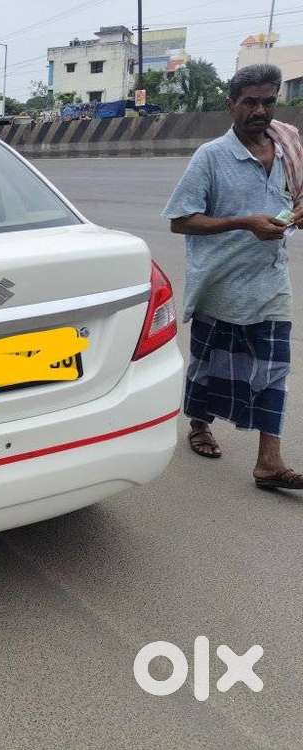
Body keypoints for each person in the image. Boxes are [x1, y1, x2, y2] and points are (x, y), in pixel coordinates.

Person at [163, 63, 302, 490]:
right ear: (231, 105)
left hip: (269, 284)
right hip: (219, 284)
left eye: (268, 101)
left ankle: (269, 462)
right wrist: (244, 223)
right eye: (250, 102)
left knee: (274, 369)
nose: (260, 111)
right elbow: (181, 220)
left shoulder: (288, 151)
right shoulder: (211, 156)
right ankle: (200, 423)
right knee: (209, 364)